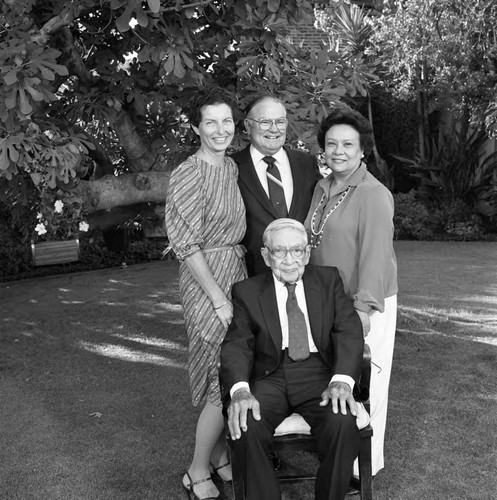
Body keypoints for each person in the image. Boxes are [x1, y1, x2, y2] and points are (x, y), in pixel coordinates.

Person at [220, 219, 364, 500]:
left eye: (296, 251)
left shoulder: (329, 279)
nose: (289, 260)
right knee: (246, 423)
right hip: (270, 376)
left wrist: (343, 380)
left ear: (307, 253)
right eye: (279, 251)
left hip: (319, 373)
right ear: (265, 255)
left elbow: (349, 330)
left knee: (342, 421)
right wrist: (240, 390)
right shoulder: (246, 291)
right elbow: (237, 344)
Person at [304, 107, 398, 477]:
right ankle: (338, 448)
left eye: (347, 144)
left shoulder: (373, 194)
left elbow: (375, 258)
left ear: (362, 151)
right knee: (335, 377)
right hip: (326, 300)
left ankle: (365, 467)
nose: (338, 151)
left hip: (365, 302)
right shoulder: (322, 187)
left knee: (366, 381)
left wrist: (362, 311)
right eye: (331, 144)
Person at [165, 89, 247, 500]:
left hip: (237, 271)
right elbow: (186, 244)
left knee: (234, 369)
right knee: (221, 375)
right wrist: (217, 297)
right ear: (195, 127)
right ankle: (196, 470)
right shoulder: (188, 173)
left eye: (226, 121)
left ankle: (218, 457)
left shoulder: (230, 167)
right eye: (210, 122)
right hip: (206, 280)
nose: (220, 130)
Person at [231, 95, 321, 277]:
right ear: (248, 126)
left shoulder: (307, 164)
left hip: (302, 274)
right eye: (265, 122)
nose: (274, 129)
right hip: (251, 277)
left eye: (280, 122)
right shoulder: (231, 168)